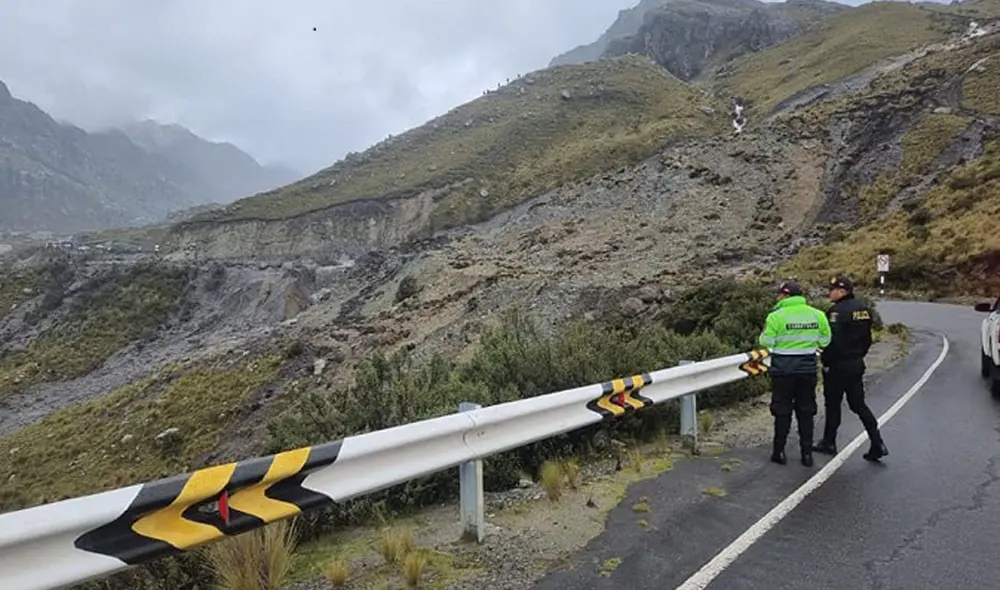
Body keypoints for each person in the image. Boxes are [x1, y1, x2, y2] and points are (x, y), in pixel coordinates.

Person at [813, 276, 889, 462]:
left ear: (842, 291)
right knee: (858, 404)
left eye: (832, 290)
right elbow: (867, 339)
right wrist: (858, 355)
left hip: (838, 365)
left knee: (833, 404)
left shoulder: (836, 312)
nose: (829, 293)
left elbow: (832, 342)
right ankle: (877, 442)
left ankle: (829, 441)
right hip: (856, 363)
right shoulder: (863, 309)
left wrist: (827, 362)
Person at [758, 280, 831, 467]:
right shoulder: (818, 315)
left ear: (785, 295)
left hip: (783, 370)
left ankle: (779, 452)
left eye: (779, 294)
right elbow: (825, 340)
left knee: (782, 410)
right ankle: (807, 454)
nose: (777, 297)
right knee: (806, 410)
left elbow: (766, 342)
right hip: (807, 369)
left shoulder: (775, 316)